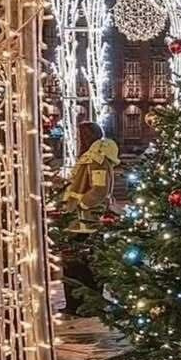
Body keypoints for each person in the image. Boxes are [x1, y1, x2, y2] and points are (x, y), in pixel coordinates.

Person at [57, 121, 119, 314]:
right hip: (77, 220)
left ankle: (84, 305)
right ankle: (76, 304)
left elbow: (99, 189)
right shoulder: (88, 157)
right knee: (75, 264)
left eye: (82, 135)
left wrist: (81, 203)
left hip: (85, 220)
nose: (79, 139)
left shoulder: (96, 159)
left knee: (82, 264)